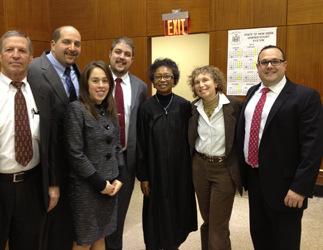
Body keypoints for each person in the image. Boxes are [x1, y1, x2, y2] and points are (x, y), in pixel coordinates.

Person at [0, 30, 59, 250]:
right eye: (9, 50)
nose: (16, 55)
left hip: (32, 188)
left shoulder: (44, 94)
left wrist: (53, 184)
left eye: (22, 50)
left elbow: (51, 143)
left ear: (31, 58)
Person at [237, 45, 323, 250]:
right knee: (260, 235)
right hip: (254, 179)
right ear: (257, 67)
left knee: (285, 241)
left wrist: (300, 188)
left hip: (287, 186)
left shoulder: (305, 96)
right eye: (264, 62)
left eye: (275, 61)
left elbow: (312, 146)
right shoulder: (252, 92)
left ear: (284, 65)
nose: (269, 66)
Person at [28, 25, 82, 250]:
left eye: (77, 44)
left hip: (73, 164)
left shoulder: (78, 71)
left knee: (65, 226)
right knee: (43, 230)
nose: (72, 48)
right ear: (52, 44)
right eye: (66, 42)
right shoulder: (33, 70)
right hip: (45, 164)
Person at [137, 58, 198, 250]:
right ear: (152, 81)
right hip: (154, 171)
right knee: (155, 210)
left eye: (167, 76)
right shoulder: (145, 108)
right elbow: (140, 143)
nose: (163, 80)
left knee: (177, 207)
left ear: (174, 79)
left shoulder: (184, 106)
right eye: (158, 77)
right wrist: (144, 177)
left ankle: (174, 243)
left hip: (180, 171)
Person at [64, 61, 125, 250]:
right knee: (85, 239)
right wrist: (100, 184)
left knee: (102, 235)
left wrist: (120, 175)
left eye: (105, 80)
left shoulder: (109, 108)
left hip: (110, 185)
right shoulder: (77, 109)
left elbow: (116, 145)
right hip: (87, 187)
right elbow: (75, 154)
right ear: (86, 84)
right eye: (95, 80)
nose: (101, 85)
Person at [187, 65, 243, 250]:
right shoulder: (192, 108)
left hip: (224, 169)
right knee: (208, 220)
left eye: (205, 80)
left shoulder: (235, 105)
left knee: (218, 224)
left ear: (216, 83)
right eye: (197, 82)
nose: (201, 85)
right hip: (200, 167)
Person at [105, 37, 147, 250]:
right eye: (118, 52)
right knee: (96, 215)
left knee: (119, 215)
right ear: (110, 53)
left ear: (132, 59)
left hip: (126, 160)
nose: (122, 57)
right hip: (98, 161)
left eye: (127, 54)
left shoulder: (140, 86)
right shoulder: (97, 80)